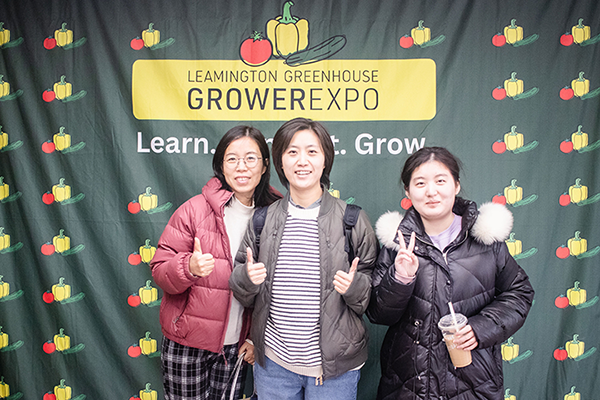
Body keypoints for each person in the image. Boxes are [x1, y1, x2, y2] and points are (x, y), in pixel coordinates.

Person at [367, 147, 534, 400]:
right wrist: (401, 278)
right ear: (408, 192)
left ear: (456, 185)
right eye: (420, 183)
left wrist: (480, 328)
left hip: (473, 383)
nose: (431, 191)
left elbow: (519, 293)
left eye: (440, 181)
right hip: (410, 385)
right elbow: (379, 313)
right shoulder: (397, 244)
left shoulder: (486, 241)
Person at [229, 117, 378, 400]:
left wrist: (354, 287)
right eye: (292, 152)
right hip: (273, 364)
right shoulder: (262, 219)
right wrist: (247, 279)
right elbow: (240, 286)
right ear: (280, 161)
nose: (302, 161)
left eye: (312, 152)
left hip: (334, 370)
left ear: (325, 160)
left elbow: (372, 293)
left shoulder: (353, 220)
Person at [150, 126, 281, 400]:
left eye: (251, 158)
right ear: (221, 166)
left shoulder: (277, 214)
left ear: (265, 164)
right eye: (232, 159)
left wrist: (254, 337)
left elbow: (279, 287)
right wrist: (188, 267)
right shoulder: (194, 210)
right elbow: (160, 270)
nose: (241, 167)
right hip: (186, 343)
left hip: (237, 347)